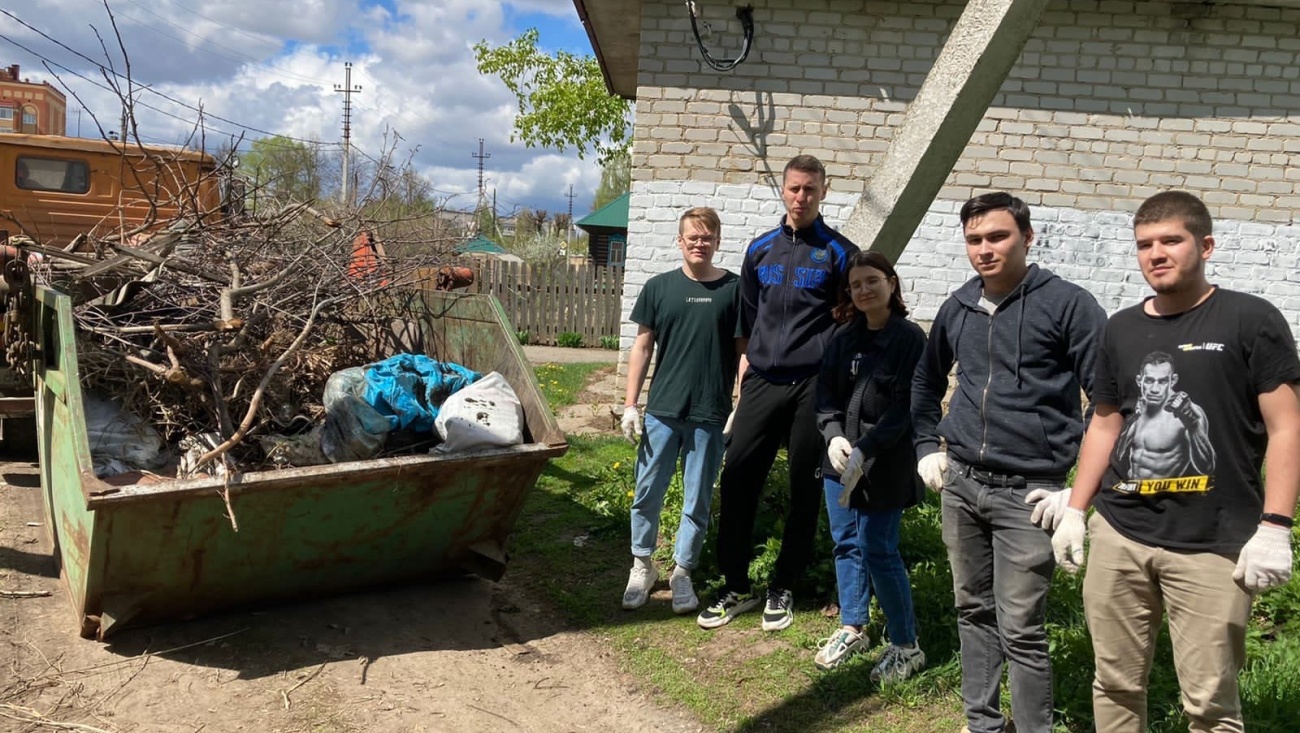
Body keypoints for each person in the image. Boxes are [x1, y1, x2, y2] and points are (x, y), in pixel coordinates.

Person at [1043, 191, 1300, 732]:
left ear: (1205, 245)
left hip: (1213, 544)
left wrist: (1276, 526)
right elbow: (1106, 423)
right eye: (1144, 245)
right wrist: (1075, 508)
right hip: (1121, 531)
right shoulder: (1120, 328)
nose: (1156, 253)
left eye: (1170, 241)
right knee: (1113, 683)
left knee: (1209, 705)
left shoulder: (1250, 320)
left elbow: (1286, 426)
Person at [910, 192, 1106, 733]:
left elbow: (1108, 401)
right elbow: (927, 380)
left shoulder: (1069, 304)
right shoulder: (959, 305)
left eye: (997, 236)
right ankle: (983, 723)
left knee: (1021, 626)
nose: (985, 249)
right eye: (974, 239)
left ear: (1027, 237)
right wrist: (927, 444)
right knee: (972, 612)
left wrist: (1076, 492)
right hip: (963, 485)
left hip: (1031, 495)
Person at [697, 155, 860, 631]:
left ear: (823, 192)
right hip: (763, 381)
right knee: (738, 477)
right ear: (783, 190)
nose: (801, 197)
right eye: (793, 188)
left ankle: (784, 584)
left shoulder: (839, 252)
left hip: (813, 386)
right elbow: (748, 319)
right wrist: (745, 373)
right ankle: (735, 584)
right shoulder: (759, 250)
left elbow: (852, 318)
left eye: (810, 189)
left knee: (804, 489)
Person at [620, 206, 743, 614]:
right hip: (662, 412)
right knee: (646, 493)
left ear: (717, 242)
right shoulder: (659, 288)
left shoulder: (734, 290)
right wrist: (630, 404)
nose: (699, 243)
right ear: (680, 241)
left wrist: (740, 404)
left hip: (710, 413)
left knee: (697, 499)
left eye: (707, 237)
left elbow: (744, 352)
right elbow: (642, 347)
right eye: (692, 236)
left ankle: (683, 572)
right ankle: (643, 565)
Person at [813, 250, 927, 681]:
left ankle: (906, 644)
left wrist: (868, 446)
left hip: (885, 465)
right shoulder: (842, 338)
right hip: (839, 461)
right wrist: (834, 436)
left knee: (879, 549)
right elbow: (825, 398)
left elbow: (908, 407)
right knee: (845, 543)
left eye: (872, 281)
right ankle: (853, 626)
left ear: (891, 284)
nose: (863, 290)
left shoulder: (909, 339)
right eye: (855, 284)